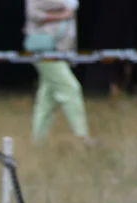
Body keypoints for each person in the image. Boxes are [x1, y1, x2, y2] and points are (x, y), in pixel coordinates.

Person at [25, 0, 94, 145]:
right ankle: (82, 137)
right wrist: (63, 14)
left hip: (59, 49)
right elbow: (33, 13)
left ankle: (37, 142)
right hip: (46, 49)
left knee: (46, 99)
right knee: (71, 89)